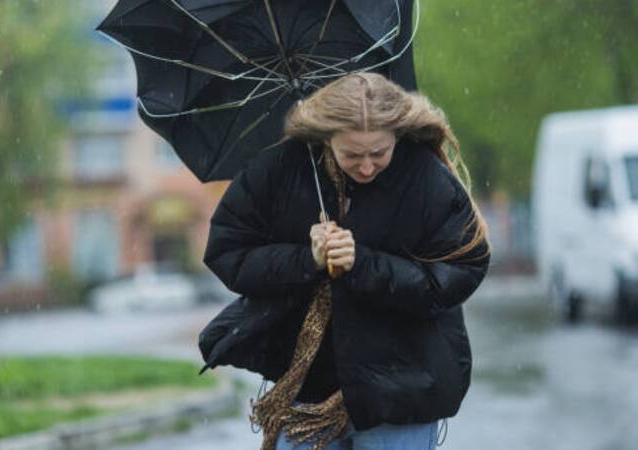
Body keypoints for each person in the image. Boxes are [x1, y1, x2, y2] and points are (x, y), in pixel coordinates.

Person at [198, 72, 492, 450]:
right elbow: (228, 253)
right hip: (306, 397)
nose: (367, 166)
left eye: (379, 153)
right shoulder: (279, 170)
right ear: (326, 137)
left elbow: (461, 271)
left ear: (397, 135)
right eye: (352, 154)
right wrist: (307, 259)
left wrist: (364, 264)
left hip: (401, 396)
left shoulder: (425, 178)